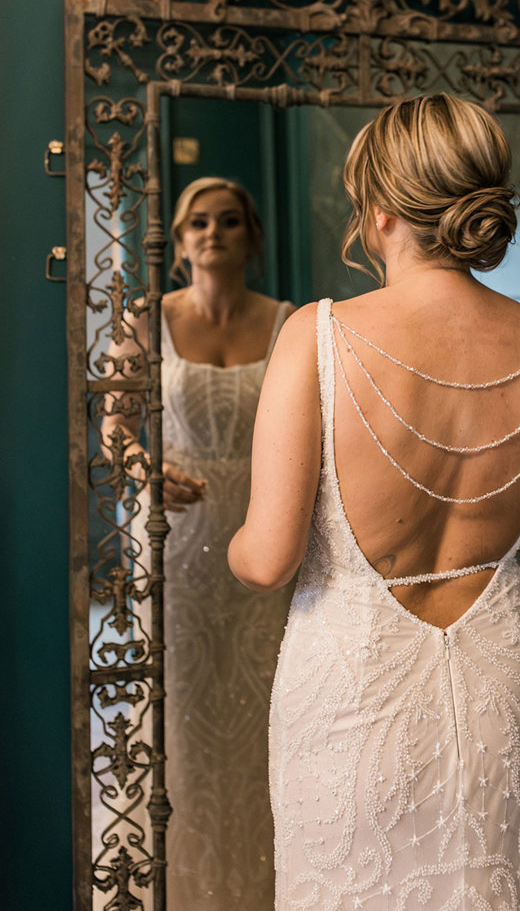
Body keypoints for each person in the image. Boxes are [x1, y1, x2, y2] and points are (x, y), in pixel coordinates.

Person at [228, 95, 520, 911]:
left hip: (351, 686)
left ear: (380, 208)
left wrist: (227, 539)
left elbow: (269, 558)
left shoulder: (317, 335)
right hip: (494, 673)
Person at [101, 177, 294, 910]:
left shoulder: (287, 323)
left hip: (263, 539)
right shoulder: (145, 320)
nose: (212, 233)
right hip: (175, 544)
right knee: (181, 712)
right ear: (178, 243)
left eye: (229, 222)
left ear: (252, 237)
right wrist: (146, 468)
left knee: (265, 713)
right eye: (197, 224)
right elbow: (113, 428)